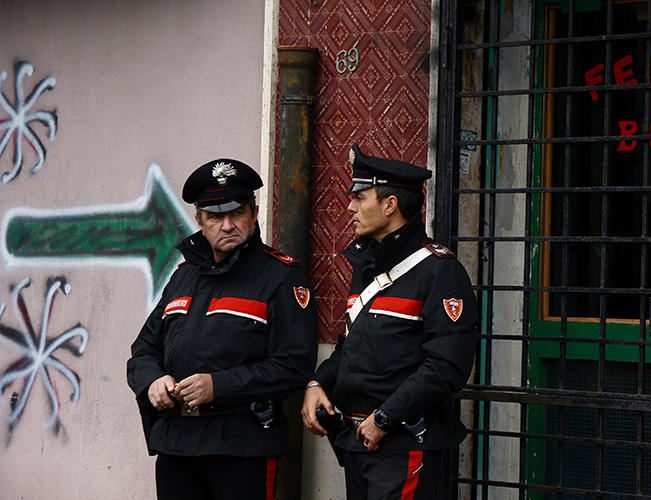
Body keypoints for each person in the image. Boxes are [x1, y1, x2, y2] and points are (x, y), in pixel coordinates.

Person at [127, 158, 318, 500]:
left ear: (254, 213)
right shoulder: (183, 277)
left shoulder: (281, 276)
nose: (227, 225)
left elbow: (294, 365)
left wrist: (217, 386)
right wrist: (151, 381)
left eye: (237, 213)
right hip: (177, 445)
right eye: (215, 216)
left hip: (242, 448)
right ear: (199, 220)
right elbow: (143, 350)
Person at [301, 144, 478, 500]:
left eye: (359, 197)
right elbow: (350, 346)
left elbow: (446, 366)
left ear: (390, 205)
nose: (349, 207)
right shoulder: (366, 266)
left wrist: (385, 418)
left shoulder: (439, 270)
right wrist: (317, 382)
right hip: (358, 442)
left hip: (403, 443)